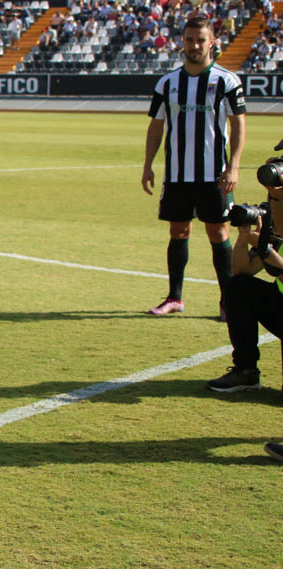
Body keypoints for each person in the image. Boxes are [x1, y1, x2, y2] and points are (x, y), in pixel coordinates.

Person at [142, 16, 245, 319]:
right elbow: (156, 127)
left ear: (212, 41)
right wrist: (148, 165)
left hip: (214, 173)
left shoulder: (226, 81)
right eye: (190, 40)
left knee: (219, 233)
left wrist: (234, 166)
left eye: (201, 39)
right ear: (182, 42)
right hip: (176, 175)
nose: (195, 45)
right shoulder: (168, 83)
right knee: (178, 231)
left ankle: (228, 302)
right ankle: (175, 298)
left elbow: (239, 126)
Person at [206, 148, 283, 392]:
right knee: (238, 287)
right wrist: (244, 237)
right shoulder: (278, 210)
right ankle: (246, 371)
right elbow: (241, 270)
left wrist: (262, 248)